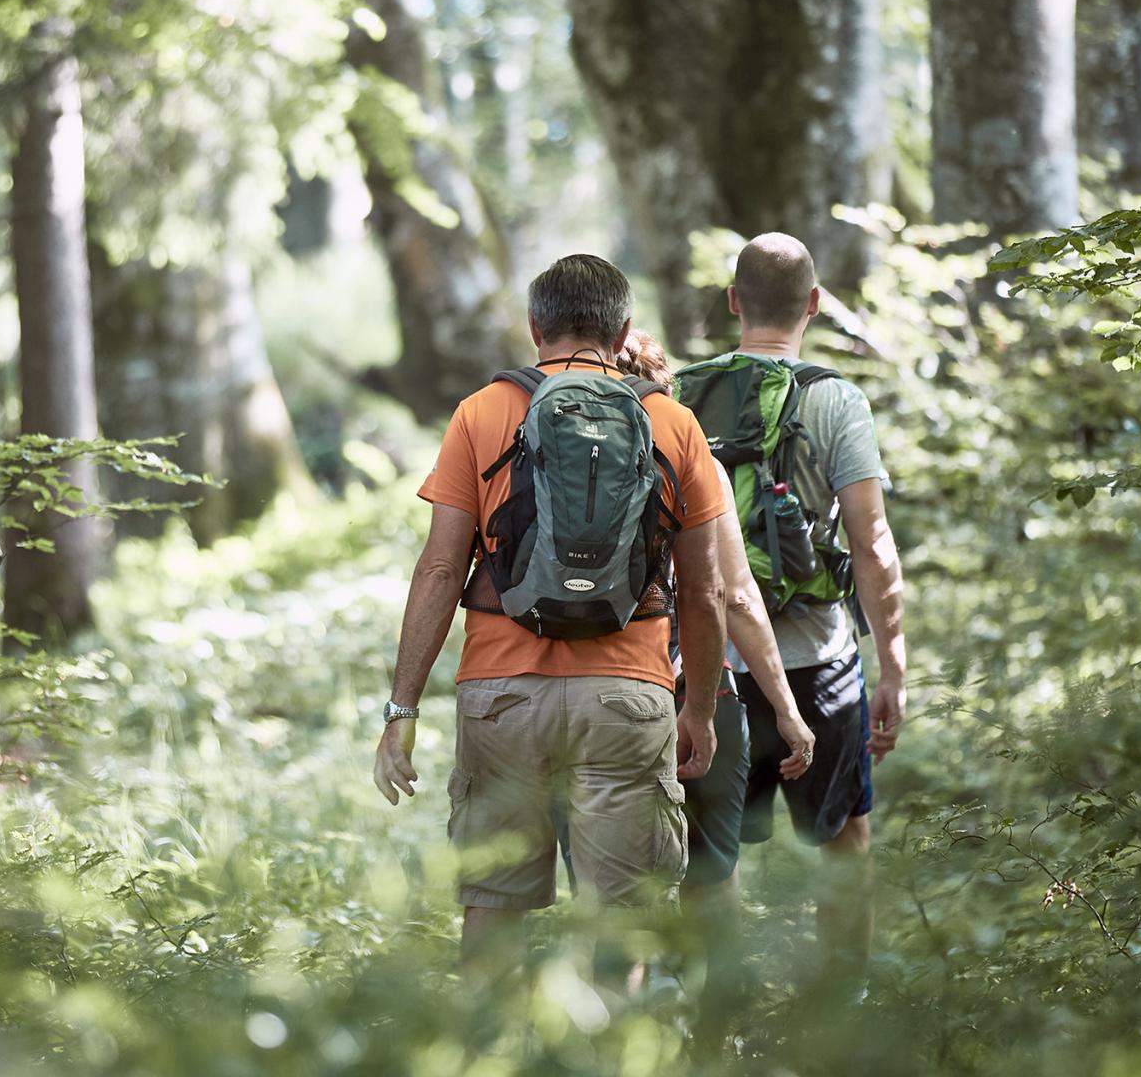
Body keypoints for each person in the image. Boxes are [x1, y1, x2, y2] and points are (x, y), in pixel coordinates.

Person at [369, 254, 811, 980]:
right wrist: (695, 710)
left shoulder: (482, 414)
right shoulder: (671, 422)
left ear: (535, 326)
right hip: (629, 696)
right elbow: (704, 592)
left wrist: (402, 708)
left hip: (501, 696)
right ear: (624, 330)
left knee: (492, 910)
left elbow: (442, 571)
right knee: (624, 922)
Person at [683, 231, 909, 1004]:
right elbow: (872, 545)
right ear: (814, 304)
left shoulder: (680, 395)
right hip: (823, 663)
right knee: (844, 839)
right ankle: (841, 1013)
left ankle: (723, 1008)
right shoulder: (836, 398)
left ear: (733, 301)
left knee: (712, 857)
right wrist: (894, 669)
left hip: (714, 667)